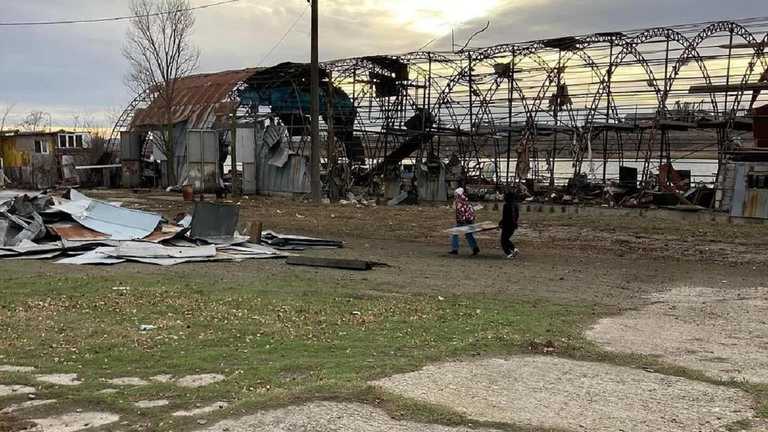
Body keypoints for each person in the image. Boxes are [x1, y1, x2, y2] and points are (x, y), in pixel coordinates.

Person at [450, 188, 480, 256]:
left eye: (455, 194)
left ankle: (455, 249)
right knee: (468, 234)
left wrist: (461, 222)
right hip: (469, 220)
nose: (454, 195)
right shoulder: (466, 200)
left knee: (455, 232)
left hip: (464, 221)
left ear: (458, 194)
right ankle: (475, 248)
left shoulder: (459, 202)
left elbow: (460, 213)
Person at [500, 191, 521, 259]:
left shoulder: (506, 205)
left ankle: (509, 253)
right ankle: (514, 249)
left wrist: (501, 223)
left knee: (503, 240)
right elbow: (516, 215)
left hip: (507, 225)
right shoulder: (516, 205)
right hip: (513, 225)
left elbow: (505, 216)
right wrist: (515, 223)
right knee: (506, 239)